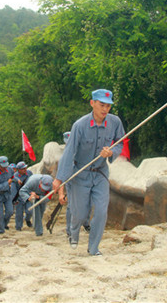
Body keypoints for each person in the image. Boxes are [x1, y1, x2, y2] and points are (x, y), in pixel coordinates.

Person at [53, 89, 125, 256]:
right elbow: (69, 152)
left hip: (100, 173)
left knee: (101, 211)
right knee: (79, 213)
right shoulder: (80, 125)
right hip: (80, 174)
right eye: (102, 105)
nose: (105, 109)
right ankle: (73, 231)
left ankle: (93, 249)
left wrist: (112, 152)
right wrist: (59, 179)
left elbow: (121, 142)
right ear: (92, 103)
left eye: (108, 106)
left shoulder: (115, 122)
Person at [61, 131, 91, 237]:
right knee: (72, 205)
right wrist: (61, 193)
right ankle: (70, 230)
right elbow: (61, 175)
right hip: (71, 180)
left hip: (84, 178)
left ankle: (86, 223)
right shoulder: (65, 155)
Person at [0, 156, 14, 234]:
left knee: (10, 211)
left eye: (6, 166)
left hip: (7, 194)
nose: (5, 168)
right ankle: (1, 231)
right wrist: (7, 183)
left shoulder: (10, 170)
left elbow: (13, 177)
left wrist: (15, 180)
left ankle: (4, 224)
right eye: (3, 166)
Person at [11, 161, 33, 230]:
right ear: (19, 170)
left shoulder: (29, 173)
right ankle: (18, 227)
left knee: (30, 211)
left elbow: (33, 182)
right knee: (19, 214)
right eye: (23, 169)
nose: (25, 169)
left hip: (28, 196)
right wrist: (14, 199)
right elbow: (13, 189)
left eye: (25, 168)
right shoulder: (15, 177)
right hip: (19, 197)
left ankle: (27, 219)